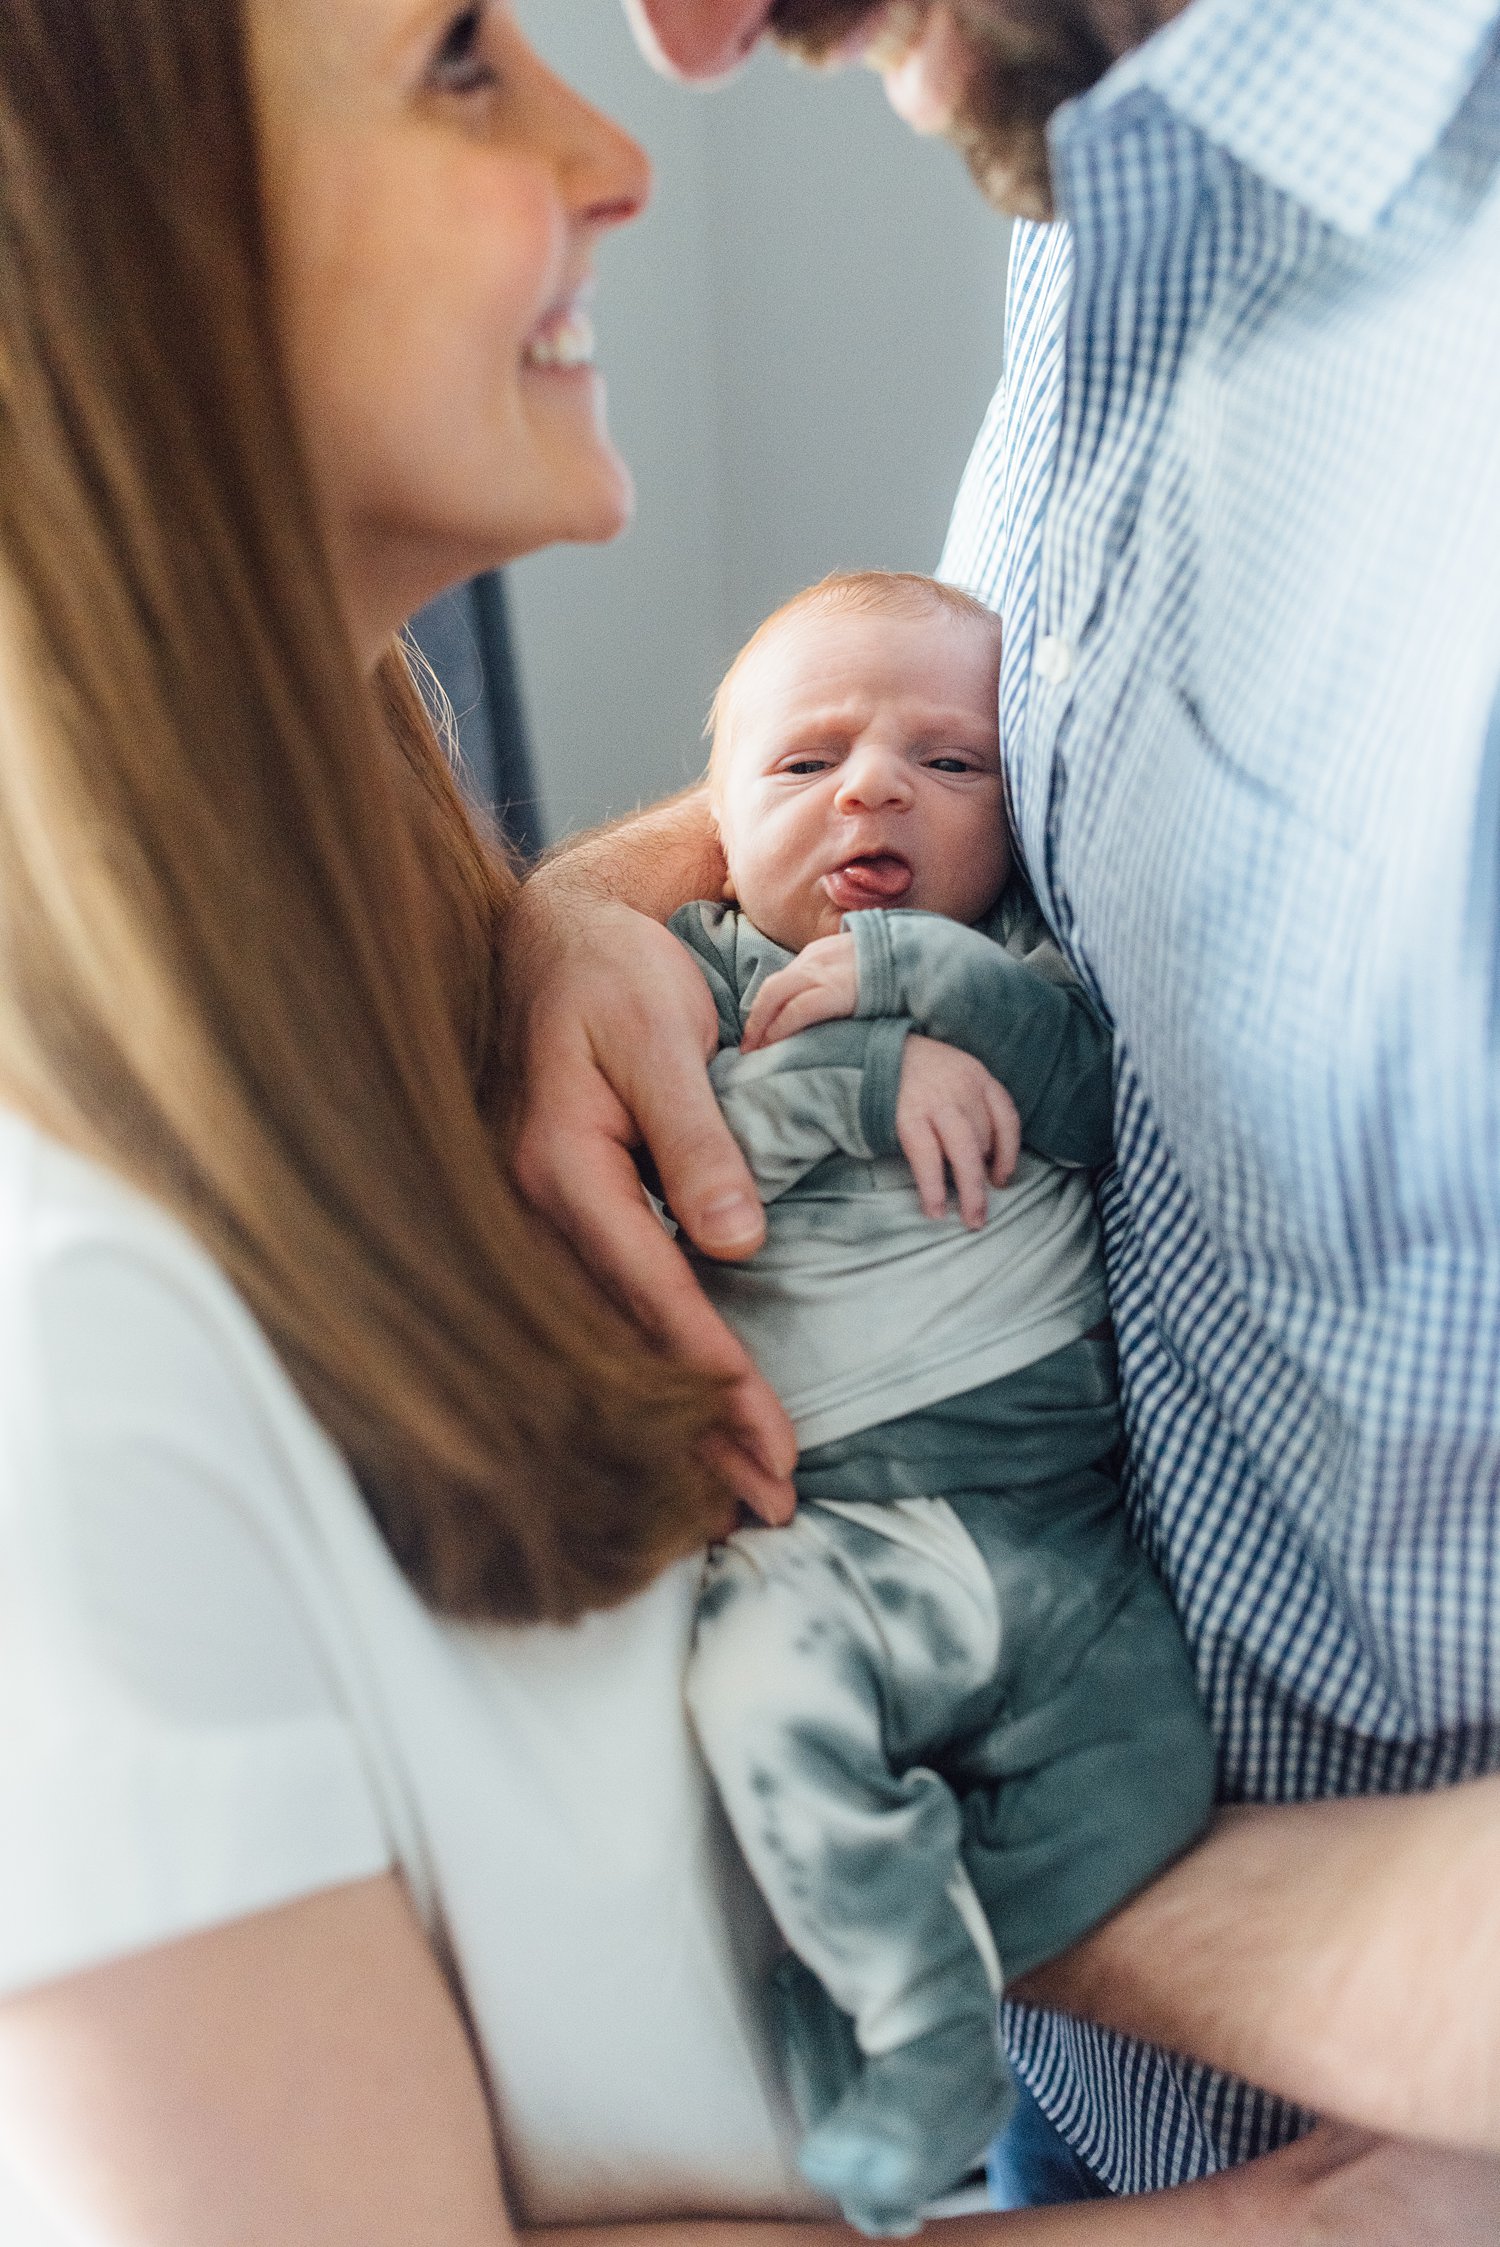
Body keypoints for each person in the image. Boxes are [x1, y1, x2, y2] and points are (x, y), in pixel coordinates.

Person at [502, 0, 1500, 2230]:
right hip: (1086, 2089)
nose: (687, 42)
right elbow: (1035, 780)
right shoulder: (1103, 142)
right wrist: (590, 924)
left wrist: (1025, 1893)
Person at [675, 570, 1214, 2232]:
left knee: (1153, 1784)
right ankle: (914, 2023)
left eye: (952, 764)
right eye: (804, 763)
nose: (875, 787)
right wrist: (865, 1070)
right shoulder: (690, 987)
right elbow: (701, 1166)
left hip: (1054, 1527)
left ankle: (917, 1994)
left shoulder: (1029, 970)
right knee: (760, 1710)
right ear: (709, 821)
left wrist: (930, 983)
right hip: (819, 1534)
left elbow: (1087, 1095)